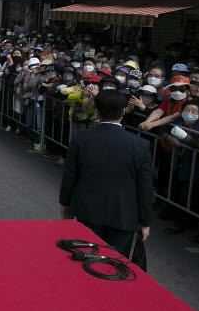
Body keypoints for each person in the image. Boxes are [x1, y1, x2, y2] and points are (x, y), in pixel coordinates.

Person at [59, 89, 153, 259]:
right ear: (123, 112)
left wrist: (65, 204)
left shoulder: (81, 138)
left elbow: (70, 175)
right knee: (115, 263)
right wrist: (145, 221)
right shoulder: (140, 144)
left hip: (87, 210)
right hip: (124, 215)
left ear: (96, 111)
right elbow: (145, 186)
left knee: (84, 260)